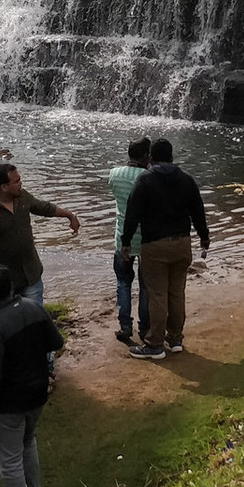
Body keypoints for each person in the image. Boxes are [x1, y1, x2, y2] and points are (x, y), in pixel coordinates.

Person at [0, 163, 79, 382]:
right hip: (3, 283)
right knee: (8, 328)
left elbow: (44, 207)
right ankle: (12, 370)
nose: (21, 184)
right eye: (16, 181)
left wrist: (69, 215)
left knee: (37, 323)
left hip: (31, 274)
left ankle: (45, 369)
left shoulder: (22, 198)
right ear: (3, 186)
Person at [0, 264, 64, 487]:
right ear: (12, 286)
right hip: (37, 397)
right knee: (28, 443)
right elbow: (56, 342)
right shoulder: (34, 308)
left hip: (9, 406)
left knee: (10, 463)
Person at [121, 138, 209, 360]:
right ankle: (176, 338)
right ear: (172, 156)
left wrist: (126, 241)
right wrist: (204, 238)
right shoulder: (187, 180)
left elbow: (132, 214)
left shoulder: (145, 181)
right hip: (182, 243)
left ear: (151, 157)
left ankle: (155, 344)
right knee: (177, 292)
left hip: (155, 245)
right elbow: (198, 212)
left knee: (158, 295)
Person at [108, 137, 151, 344]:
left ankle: (125, 327)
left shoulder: (115, 174)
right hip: (146, 239)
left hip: (121, 237)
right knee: (145, 286)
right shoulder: (148, 177)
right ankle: (144, 328)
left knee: (123, 283)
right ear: (146, 156)